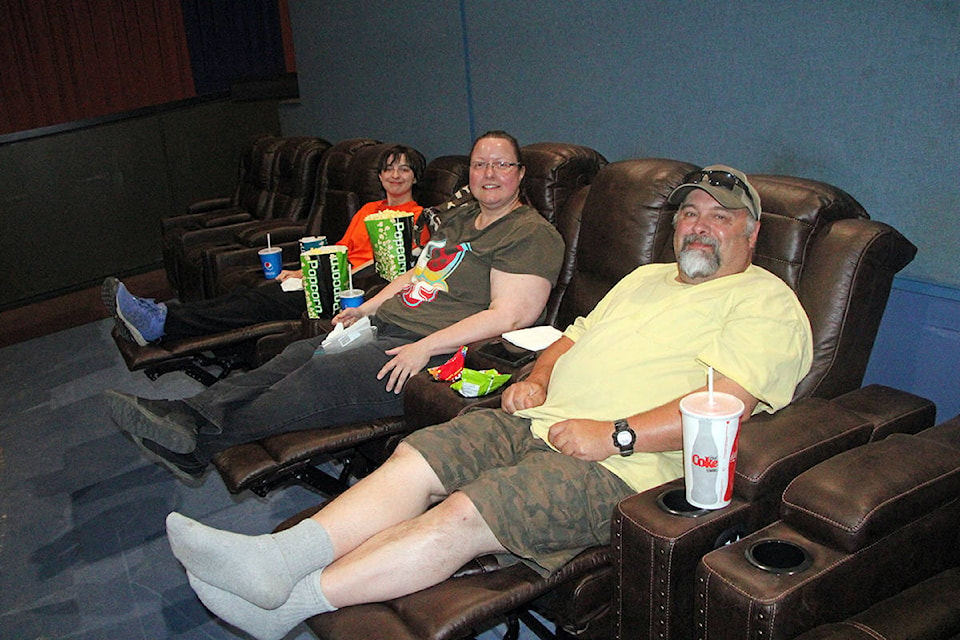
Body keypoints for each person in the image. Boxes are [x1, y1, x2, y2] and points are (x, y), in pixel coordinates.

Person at [162, 165, 814, 640]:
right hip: (535, 417)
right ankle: (275, 561)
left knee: (467, 515)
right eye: (689, 215)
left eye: (719, 217)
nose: (699, 227)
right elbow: (570, 339)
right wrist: (538, 376)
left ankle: (290, 602)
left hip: (621, 467)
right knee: (414, 461)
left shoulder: (766, 303)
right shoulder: (644, 279)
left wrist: (614, 435)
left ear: (752, 233)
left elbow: (724, 405)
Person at [106, 130, 565, 481]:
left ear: (521, 173)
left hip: (438, 355)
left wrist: (424, 347)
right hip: (388, 328)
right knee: (297, 354)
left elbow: (511, 316)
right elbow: (416, 274)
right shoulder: (461, 216)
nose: (489, 174)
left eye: (501, 165)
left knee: (324, 373)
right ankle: (187, 413)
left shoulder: (530, 234)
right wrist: (367, 308)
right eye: (480, 164)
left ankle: (197, 443)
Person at [102, 145, 427, 346]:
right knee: (250, 295)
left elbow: (402, 269)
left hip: (344, 290)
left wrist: (322, 280)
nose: (395, 175)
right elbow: (340, 249)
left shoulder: (419, 218)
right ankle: (159, 314)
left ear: (415, 177)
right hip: (322, 276)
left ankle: (162, 324)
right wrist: (299, 270)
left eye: (404, 168)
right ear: (380, 176)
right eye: (388, 168)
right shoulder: (369, 210)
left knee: (255, 304)